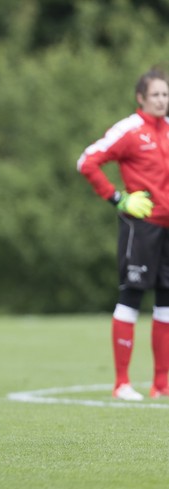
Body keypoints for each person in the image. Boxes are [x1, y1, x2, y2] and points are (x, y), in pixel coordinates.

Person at [77, 68, 169, 401]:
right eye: (156, 94)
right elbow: (87, 161)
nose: (162, 100)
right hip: (140, 227)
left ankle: (162, 384)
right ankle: (122, 383)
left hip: (167, 228)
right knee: (130, 298)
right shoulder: (129, 129)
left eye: (166, 94)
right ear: (141, 98)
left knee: (166, 304)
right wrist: (119, 198)